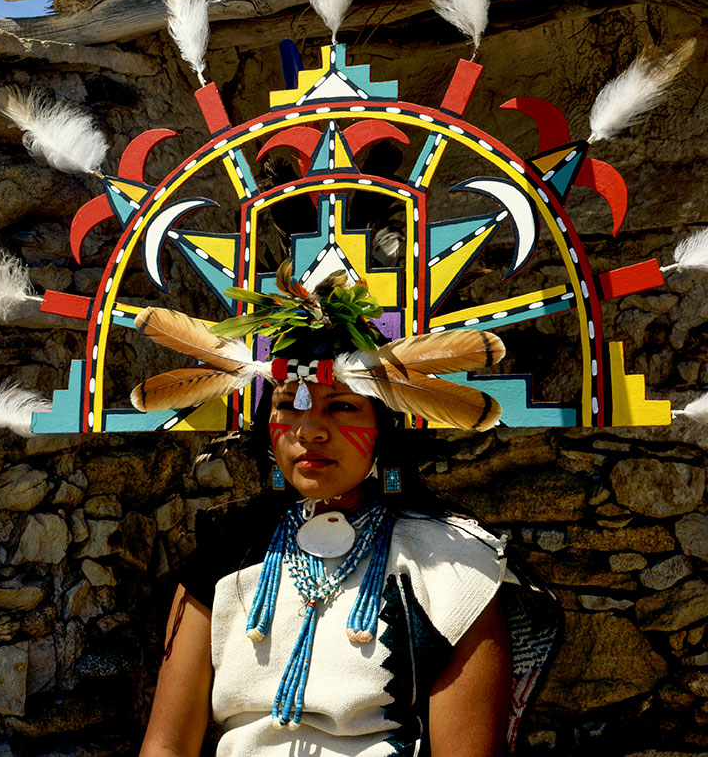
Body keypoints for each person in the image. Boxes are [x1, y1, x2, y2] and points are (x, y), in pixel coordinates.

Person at [134, 268, 560, 755]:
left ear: (384, 427)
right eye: (288, 405)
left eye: (341, 408)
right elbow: (165, 747)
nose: (309, 430)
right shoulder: (222, 561)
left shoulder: (456, 571)